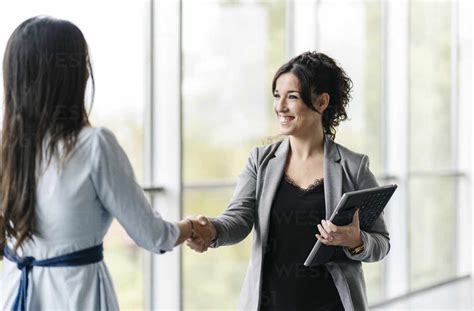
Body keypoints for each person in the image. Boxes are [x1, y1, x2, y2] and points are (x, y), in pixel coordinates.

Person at [0, 16, 208, 311]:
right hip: (76, 298)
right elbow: (153, 235)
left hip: (13, 295)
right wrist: (193, 227)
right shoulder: (93, 145)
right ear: (73, 75)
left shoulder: (7, 147)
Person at [186, 51, 390, 310]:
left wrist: (356, 240)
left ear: (321, 102)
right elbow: (237, 219)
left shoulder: (354, 168)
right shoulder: (261, 161)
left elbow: (381, 242)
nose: (280, 106)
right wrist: (210, 231)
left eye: (291, 97)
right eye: (277, 96)